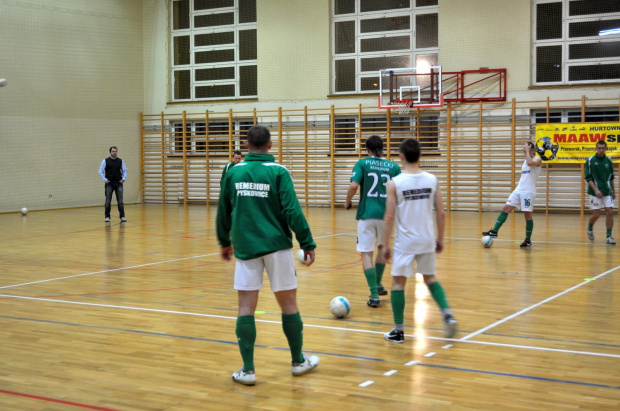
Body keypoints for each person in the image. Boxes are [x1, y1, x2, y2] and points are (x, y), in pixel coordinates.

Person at [216, 125, 319, 386]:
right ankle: (298, 362)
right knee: (289, 304)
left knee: (245, 308)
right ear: (270, 145)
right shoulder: (278, 172)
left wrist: (224, 240)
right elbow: (292, 211)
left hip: (246, 248)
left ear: (246, 145)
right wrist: (306, 241)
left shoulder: (233, 172)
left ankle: (248, 370)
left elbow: (223, 209)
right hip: (278, 247)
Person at [381, 138, 457, 343]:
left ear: (401, 156)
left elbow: (388, 217)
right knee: (430, 278)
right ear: (420, 156)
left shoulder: (394, 183)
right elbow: (441, 212)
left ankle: (398, 331)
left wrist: (385, 244)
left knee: (398, 283)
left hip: (405, 242)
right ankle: (448, 314)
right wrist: (440, 238)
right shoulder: (432, 179)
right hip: (426, 239)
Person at [345, 135, 401, 308]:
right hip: (386, 214)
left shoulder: (362, 163)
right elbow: (400, 189)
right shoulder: (393, 166)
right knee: (382, 249)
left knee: (366, 253)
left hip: (367, 214)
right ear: (383, 148)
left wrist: (347, 202)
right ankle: (378, 283)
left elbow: (354, 185)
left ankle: (374, 294)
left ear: (367, 149)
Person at [482, 142, 542, 247]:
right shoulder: (526, 161)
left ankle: (528, 240)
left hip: (528, 191)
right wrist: (527, 151)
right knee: (506, 208)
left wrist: (528, 151)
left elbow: (529, 163)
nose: (525, 152)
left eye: (526, 150)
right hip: (519, 189)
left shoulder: (537, 159)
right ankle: (494, 231)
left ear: (533, 150)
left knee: (527, 215)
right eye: (524, 151)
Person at [585, 140, 616, 245]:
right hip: (595, 192)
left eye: (603, 148)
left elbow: (611, 177)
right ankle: (590, 227)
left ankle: (609, 236)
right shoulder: (590, 161)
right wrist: (596, 190)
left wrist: (614, 190)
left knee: (609, 212)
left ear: (606, 148)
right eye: (599, 148)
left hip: (607, 191)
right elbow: (588, 178)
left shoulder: (609, 161)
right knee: (597, 215)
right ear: (596, 148)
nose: (601, 150)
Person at [98, 146, 127, 223]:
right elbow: (100, 171)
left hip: (118, 183)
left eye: (115, 151)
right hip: (109, 183)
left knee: (120, 201)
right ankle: (107, 216)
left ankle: (122, 216)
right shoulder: (105, 161)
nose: (114, 152)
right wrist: (105, 180)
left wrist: (123, 179)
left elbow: (124, 170)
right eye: (113, 151)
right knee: (108, 201)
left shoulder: (121, 161)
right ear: (110, 152)